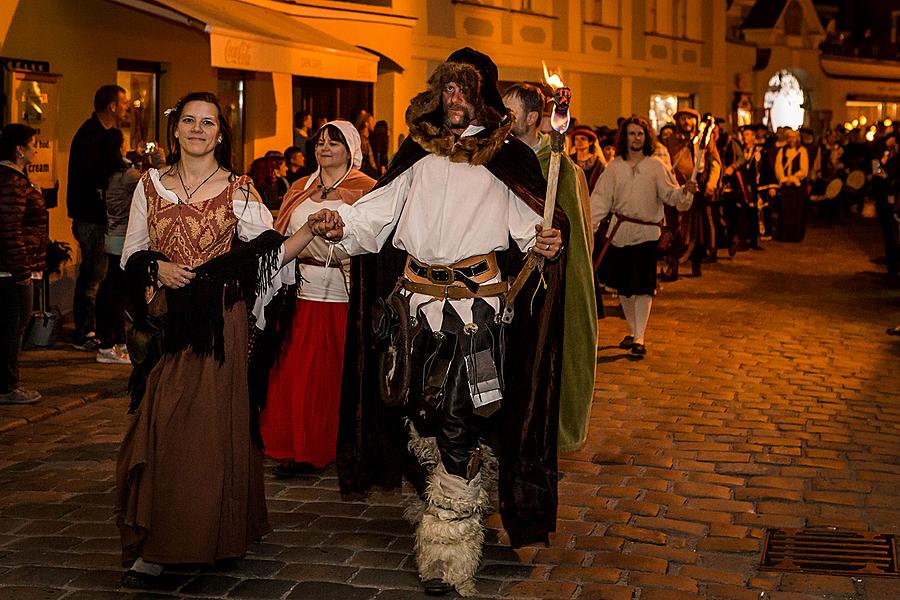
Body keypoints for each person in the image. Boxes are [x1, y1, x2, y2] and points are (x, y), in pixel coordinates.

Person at [311, 48, 578, 597]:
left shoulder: (504, 157)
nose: (454, 100)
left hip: (474, 313)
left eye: (465, 89)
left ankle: (448, 557)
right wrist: (340, 221)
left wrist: (546, 239)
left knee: (456, 420)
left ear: (480, 95)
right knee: (415, 416)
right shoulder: (417, 153)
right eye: (447, 89)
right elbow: (377, 214)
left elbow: (532, 225)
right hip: (412, 311)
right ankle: (440, 484)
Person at [115, 91, 319, 589]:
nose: (198, 129)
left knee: (207, 428)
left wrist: (310, 229)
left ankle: (207, 536)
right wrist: (156, 267)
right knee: (161, 422)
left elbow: (265, 254)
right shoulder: (149, 186)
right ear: (176, 129)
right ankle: (163, 541)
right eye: (189, 120)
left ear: (221, 133)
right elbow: (130, 257)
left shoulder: (240, 189)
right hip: (169, 324)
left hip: (219, 327)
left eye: (208, 122)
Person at [260, 121, 376, 478]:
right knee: (296, 372)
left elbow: (374, 241)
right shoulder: (299, 188)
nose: (325, 148)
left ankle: (336, 445)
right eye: (320, 142)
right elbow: (279, 235)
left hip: (344, 294)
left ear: (350, 148)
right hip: (300, 290)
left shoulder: (367, 190)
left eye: (334, 142)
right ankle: (296, 445)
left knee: (336, 373)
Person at [503, 82, 598, 453]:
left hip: (543, 281)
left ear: (532, 118)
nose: (504, 121)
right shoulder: (496, 160)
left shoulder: (561, 168)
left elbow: (574, 234)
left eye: (511, 114)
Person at [592, 116, 694, 355]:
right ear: (624, 137)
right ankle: (632, 329)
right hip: (619, 233)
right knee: (624, 288)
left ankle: (640, 336)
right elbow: (599, 200)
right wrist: (590, 226)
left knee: (644, 287)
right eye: (631, 133)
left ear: (646, 137)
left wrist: (685, 192)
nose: (636, 138)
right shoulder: (614, 167)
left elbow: (672, 196)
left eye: (640, 134)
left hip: (647, 233)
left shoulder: (656, 166)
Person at [68, 84, 129, 351]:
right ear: (112, 106)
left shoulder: (107, 134)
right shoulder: (90, 135)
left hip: (101, 215)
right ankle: (85, 331)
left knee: (100, 274)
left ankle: (97, 329)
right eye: (123, 103)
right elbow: (99, 172)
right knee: (93, 274)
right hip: (90, 215)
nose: (127, 107)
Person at [0, 124, 47, 405]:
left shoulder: (17, 180)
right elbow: (9, 229)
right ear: (19, 149)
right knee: (13, 326)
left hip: (14, 266)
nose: (35, 149)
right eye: (32, 144)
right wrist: (22, 272)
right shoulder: (11, 182)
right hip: (12, 270)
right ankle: (7, 385)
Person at [95, 128, 140, 365]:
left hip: (111, 235)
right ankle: (116, 342)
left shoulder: (105, 174)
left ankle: (110, 341)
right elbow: (152, 190)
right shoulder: (128, 175)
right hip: (125, 238)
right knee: (121, 294)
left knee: (112, 290)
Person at [661, 108, 721, 279]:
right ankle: (673, 267)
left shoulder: (705, 139)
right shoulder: (671, 140)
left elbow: (715, 163)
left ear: (696, 121)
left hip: (698, 190)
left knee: (697, 230)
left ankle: (696, 264)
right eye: (683, 119)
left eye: (690, 119)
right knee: (676, 230)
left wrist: (711, 184)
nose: (686, 122)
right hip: (676, 189)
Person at [774, 128, 809, 242]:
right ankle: (784, 234)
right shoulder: (782, 151)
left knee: (796, 211)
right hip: (785, 185)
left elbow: (804, 170)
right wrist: (784, 179)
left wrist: (793, 178)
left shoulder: (802, 151)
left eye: (794, 138)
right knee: (785, 210)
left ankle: (795, 235)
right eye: (789, 138)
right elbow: (778, 167)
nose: (791, 140)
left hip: (797, 186)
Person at [568, 125, 605, 193]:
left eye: (583, 139)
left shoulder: (597, 163)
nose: (579, 142)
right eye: (576, 139)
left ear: (590, 142)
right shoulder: (569, 160)